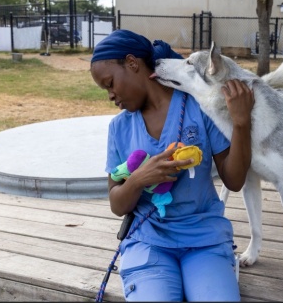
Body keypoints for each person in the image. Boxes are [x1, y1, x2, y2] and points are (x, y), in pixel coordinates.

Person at [90, 29, 254, 302]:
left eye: (110, 83)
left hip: (205, 239)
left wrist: (241, 122)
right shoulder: (120, 127)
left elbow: (234, 181)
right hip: (148, 242)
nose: (110, 95)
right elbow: (117, 205)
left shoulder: (199, 107)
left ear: (132, 64)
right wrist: (139, 178)